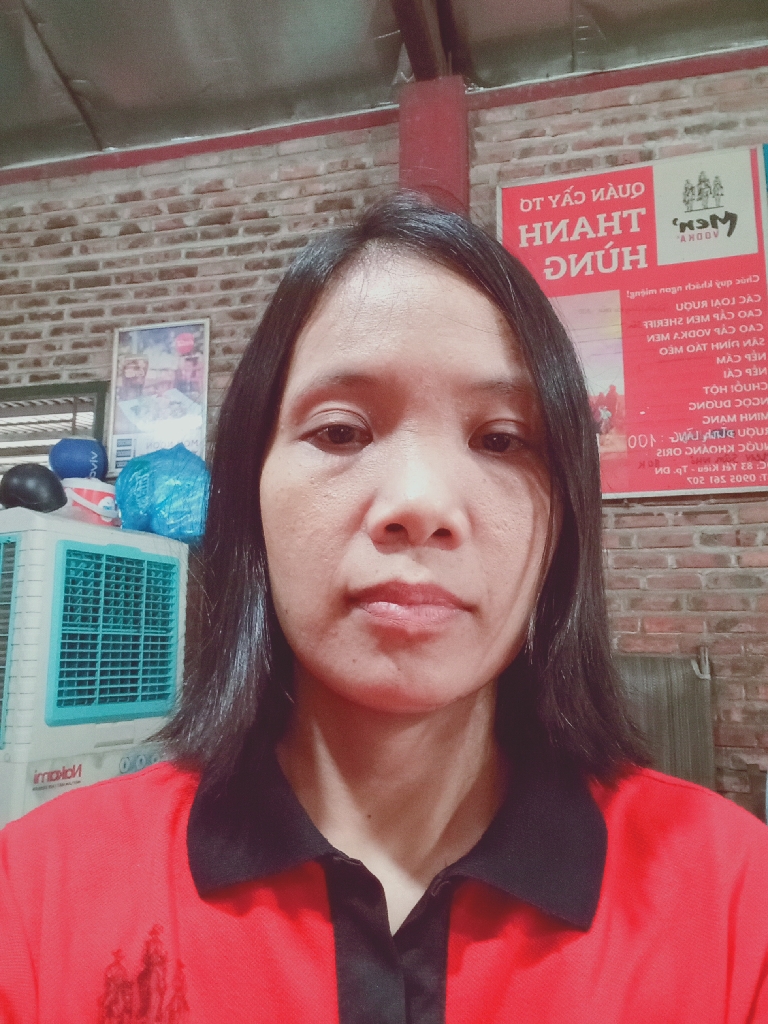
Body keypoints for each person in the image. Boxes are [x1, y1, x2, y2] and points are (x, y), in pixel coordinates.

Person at [1, 194, 768, 1024]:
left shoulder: (735, 901)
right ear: (251, 496)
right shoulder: (38, 898)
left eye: (501, 439)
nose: (419, 503)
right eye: (340, 432)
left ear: (565, 523)